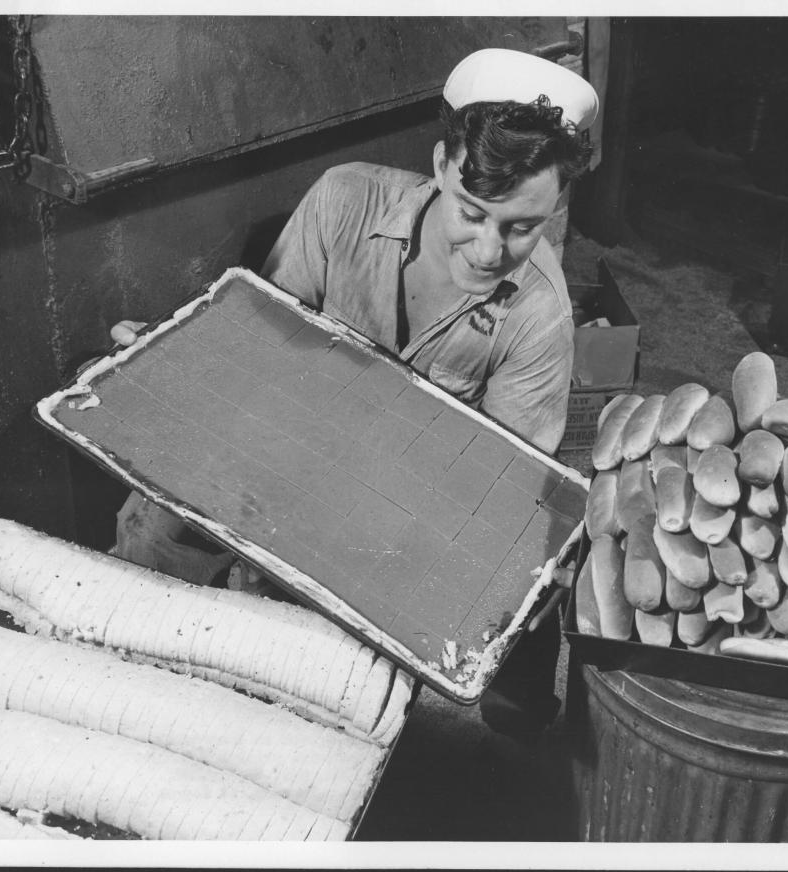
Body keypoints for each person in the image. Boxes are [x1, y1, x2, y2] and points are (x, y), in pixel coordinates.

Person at [112, 48, 599, 736]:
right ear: (439, 168)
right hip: (281, 442)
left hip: (403, 510)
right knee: (153, 542)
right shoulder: (344, 200)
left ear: (556, 204)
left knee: (323, 693)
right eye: (472, 211)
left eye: (522, 226)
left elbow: (492, 508)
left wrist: (316, 555)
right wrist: (179, 356)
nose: (489, 251)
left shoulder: (539, 317)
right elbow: (259, 352)